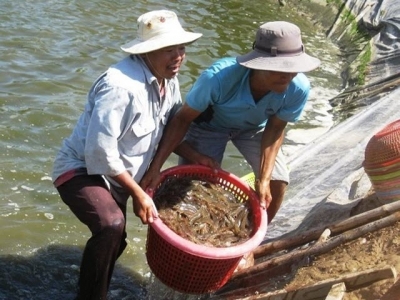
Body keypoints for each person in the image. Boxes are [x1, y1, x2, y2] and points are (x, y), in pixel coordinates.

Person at [51, 10, 201, 300]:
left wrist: (197, 156)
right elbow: (99, 152)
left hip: (118, 175)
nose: (178, 56)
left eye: (181, 48)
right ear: (147, 52)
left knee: (115, 242)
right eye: (168, 50)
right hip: (80, 169)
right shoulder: (120, 86)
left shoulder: (169, 80)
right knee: (111, 225)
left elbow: (168, 129)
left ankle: (87, 287)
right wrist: (138, 192)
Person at [141, 21, 321, 224]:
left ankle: (254, 237)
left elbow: (276, 128)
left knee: (278, 181)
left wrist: (264, 178)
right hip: (209, 126)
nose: (288, 77)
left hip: (254, 128)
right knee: (197, 184)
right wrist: (156, 166)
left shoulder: (298, 87)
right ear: (258, 65)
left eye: (293, 69)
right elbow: (182, 119)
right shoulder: (218, 78)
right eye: (281, 70)